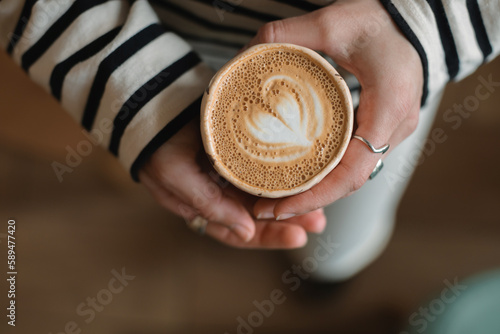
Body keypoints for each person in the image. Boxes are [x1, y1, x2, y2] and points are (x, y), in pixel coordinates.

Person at [1, 0, 498, 280]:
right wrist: (133, 84)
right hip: (148, 41)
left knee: (341, 236)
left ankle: (328, 271)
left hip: (378, 93)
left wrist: (425, 25)